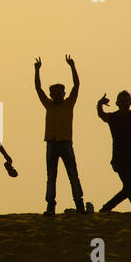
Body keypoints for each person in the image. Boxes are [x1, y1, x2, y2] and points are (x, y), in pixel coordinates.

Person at [34, 55, 86, 216]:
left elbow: (76, 85)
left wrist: (72, 66)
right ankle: (50, 207)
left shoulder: (69, 103)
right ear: (51, 95)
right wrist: (37, 71)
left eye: (59, 92)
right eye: (53, 93)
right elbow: (38, 89)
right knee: (51, 177)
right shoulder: (48, 105)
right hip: (51, 143)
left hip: (65, 143)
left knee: (72, 174)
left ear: (63, 93)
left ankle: (79, 205)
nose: (56, 95)